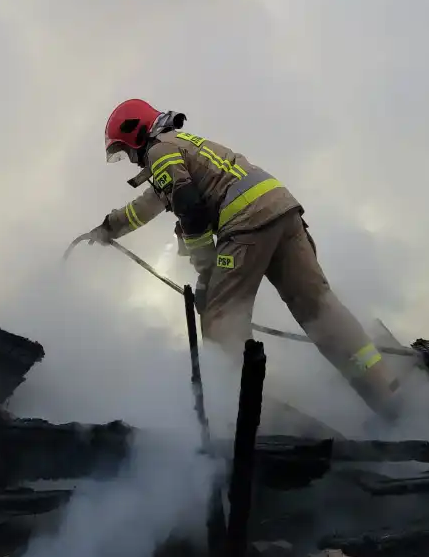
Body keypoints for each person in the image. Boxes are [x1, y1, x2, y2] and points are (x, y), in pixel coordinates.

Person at [90, 98, 401, 420]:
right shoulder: (181, 145)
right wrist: (107, 228)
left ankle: (269, 424)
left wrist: (206, 273)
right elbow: (150, 203)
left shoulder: (159, 151)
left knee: (220, 324)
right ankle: (388, 397)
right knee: (319, 309)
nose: (129, 160)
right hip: (283, 213)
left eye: (125, 151)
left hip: (247, 224)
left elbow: (190, 208)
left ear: (136, 133)